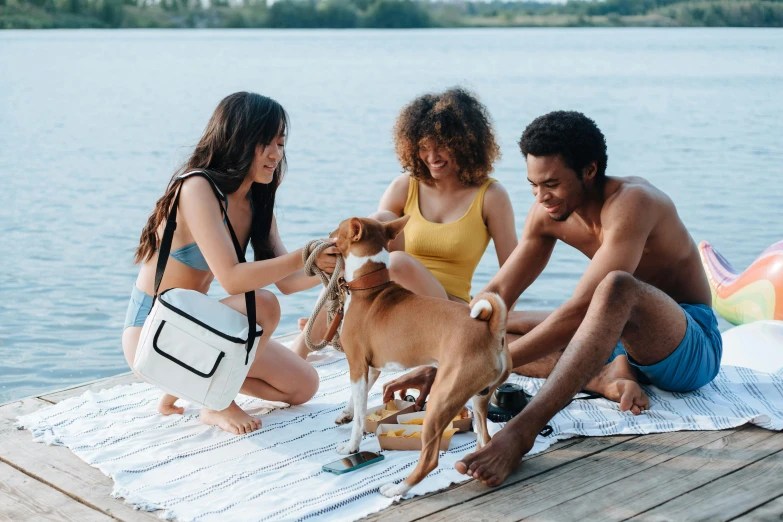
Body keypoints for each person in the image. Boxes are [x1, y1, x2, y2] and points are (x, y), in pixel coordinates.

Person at [383, 110, 722, 485]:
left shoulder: (633, 203)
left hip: (687, 345)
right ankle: (605, 376)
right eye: (533, 185)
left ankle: (521, 432)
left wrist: (479, 369)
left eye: (552, 184)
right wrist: (447, 361)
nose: (542, 197)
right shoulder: (546, 214)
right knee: (494, 322)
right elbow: (496, 294)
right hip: (619, 343)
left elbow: (580, 310)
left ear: (590, 170)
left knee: (616, 287)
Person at [123, 92, 338, 435]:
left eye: (280, 144)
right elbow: (234, 280)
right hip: (154, 331)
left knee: (303, 386)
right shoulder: (197, 187)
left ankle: (187, 383)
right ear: (237, 139)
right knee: (262, 304)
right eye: (266, 143)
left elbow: (288, 280)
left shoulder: (257, 196)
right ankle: (215, 403)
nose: (275, 154)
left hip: (203, 331)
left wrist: (334, 262)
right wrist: (305, 253)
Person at [290, 87, 517, 358]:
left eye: (441, 145)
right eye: (423, 147)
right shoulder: (404, 187)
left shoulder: (491, 196)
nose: (432, 157)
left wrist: (498, 327)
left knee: (398, 261)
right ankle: (302, 348)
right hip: (393, 304)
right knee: (380, 222)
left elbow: (514, 270)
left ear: (464, 142)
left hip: (447, 310)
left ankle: (328, 319)